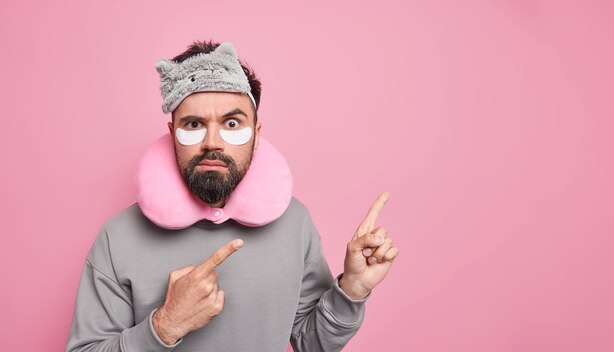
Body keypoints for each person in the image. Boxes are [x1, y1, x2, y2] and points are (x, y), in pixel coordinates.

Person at [66, 40, 399, 352]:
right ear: (172, 134)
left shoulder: (295, 223)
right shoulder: (118, 237)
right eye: (194, 124)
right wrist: (165, 325)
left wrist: (353, 289)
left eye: (232, 123)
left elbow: (311, 343)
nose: (213, 142)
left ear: (255, 133)